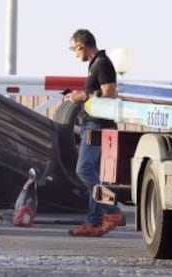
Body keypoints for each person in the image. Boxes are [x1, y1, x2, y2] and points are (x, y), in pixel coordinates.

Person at [65, 29, 126, 237]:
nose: (74, 54)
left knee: (84, 170)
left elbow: (109, 93)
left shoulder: (102, 63)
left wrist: (82, 96)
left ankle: (113, 211)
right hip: (96, 124)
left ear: (82, 46)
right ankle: (94, 221)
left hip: (98, 125)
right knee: (94, 175)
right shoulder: (96, 64)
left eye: (74, 49)